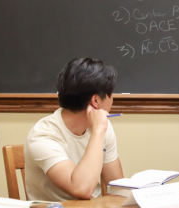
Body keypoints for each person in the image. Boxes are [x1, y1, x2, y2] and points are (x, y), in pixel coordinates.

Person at [24, 58, 124, 200]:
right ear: (96, 101)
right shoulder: (43, 135)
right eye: (111, 94)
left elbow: (117, 188)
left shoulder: (102, 126)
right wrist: (98, 130)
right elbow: (81, 189)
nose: (113, 99)